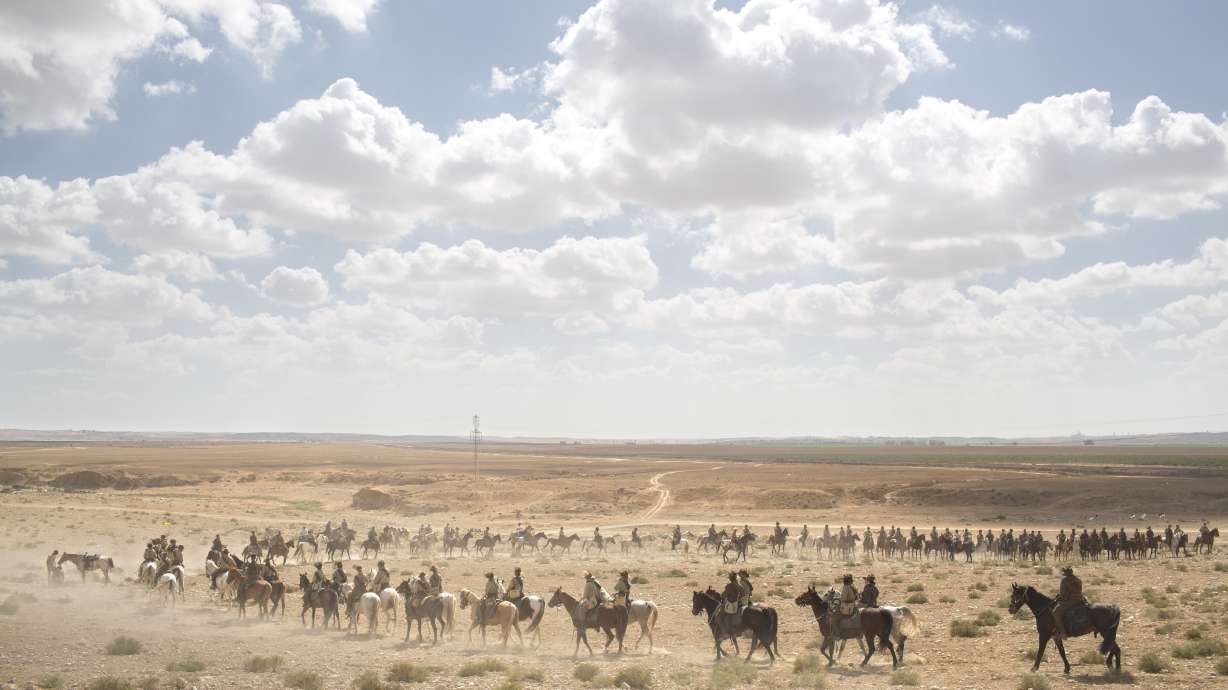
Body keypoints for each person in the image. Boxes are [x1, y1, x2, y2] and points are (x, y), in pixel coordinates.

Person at [1051, 566, 1083, 640]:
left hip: (1071, 601)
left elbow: (1064, 596)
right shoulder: (1078, 580)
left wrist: (1057, 598)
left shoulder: (1065, 580)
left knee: (1055, 612)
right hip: (1080, 600)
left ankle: (1063, 632)